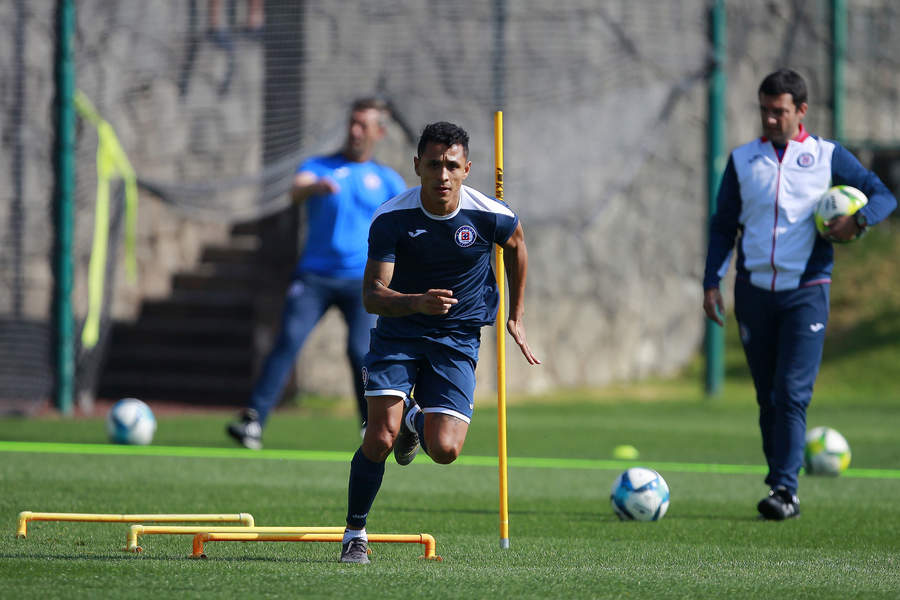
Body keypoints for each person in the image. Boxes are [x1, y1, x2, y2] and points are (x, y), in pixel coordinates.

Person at [338, 121, 540, 563]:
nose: (442, 175)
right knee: (380, 437)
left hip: (457, 338)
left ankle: (414, 421)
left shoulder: (491, 214)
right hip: (399, 332)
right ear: (417, 166)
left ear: (467, 168)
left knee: (446, 450)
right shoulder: (392, 217)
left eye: (451, 165)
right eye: (433, 165)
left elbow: (517, 246)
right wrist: (417, 302)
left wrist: (516, 315)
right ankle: (355, 533)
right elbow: (372, 295)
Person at [702, 69, 896, 520]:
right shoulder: (743, 160)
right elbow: (723, 226)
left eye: (779, 111)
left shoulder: (827, 156)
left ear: (801, 110)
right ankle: (780, 482)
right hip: (754, 291)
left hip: (806, 290)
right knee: (767, 396)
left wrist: (858, 221)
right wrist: (712, 281)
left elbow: (883, 194)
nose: (770, 119)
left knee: (791, 392)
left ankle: (785, 490)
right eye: (764, 110)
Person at [227, 98, 407, 449]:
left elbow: (407, 226)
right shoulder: (320, 167)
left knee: (361, 351)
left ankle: (370, 427)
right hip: (314, 277)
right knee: (289, 339)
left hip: (362, 281)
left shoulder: (388, 180)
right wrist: (314, 188)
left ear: (379, 132)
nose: (355, 131)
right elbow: (297, 189)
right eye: (352, 122)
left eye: (363, 125)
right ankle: (253, 422)